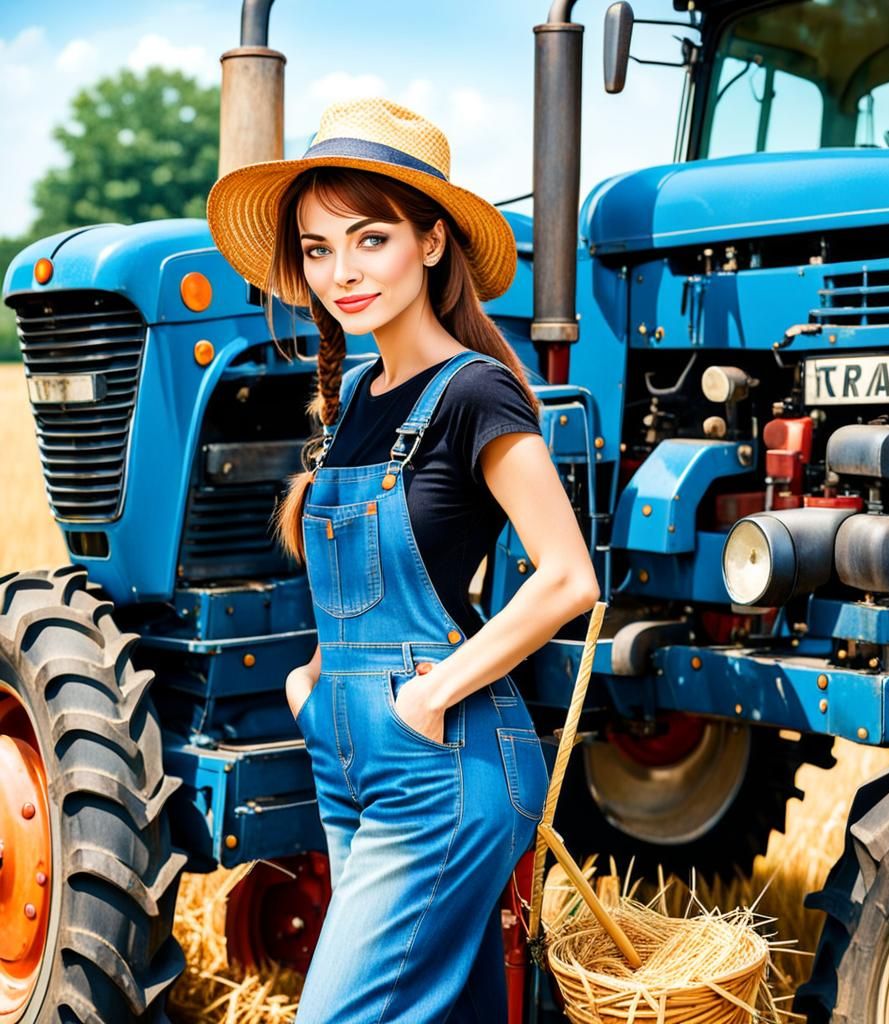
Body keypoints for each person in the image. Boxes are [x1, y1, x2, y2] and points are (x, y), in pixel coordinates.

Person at [207, 97, 600, 1023]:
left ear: (430, 243)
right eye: (315, 249)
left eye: (369, 239)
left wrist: (427, 698)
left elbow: (568, 576)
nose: (340, 272)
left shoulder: (475, 392)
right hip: (345, 754)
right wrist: (313, 679)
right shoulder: (358, 402)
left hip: (442, 762)